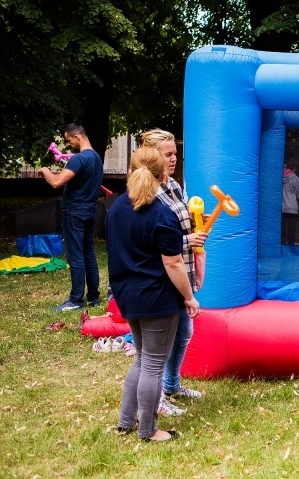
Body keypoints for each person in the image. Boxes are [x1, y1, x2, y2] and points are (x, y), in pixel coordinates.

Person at [106, 146, 200, 442]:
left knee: (143, 359)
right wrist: (189, 297)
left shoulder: (117, 206)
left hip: (127, 295)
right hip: (158, 299)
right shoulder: (162, 214)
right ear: (162, 177)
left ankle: (126, 421)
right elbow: (172, 263)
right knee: (153, 365)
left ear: (130, 172)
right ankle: (148, 430)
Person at [139, 129, 207, 417]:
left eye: (175, 154)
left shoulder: (174, 186)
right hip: (162, 275)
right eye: (167, 155)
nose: (173, 159)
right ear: (152, 155)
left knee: (184, 331)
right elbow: (146, 238)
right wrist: (185, 242)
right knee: (160, 344)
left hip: (182, 269)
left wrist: (197, 243)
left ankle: (171, 385)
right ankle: (156, 401)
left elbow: (184, 226)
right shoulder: (146, 192)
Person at [40, 123, 104, 312]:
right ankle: (93, 297)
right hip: (91, 210)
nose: (69, 145)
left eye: (69, 140)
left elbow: (56, 182)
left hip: (75, 212)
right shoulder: (96, 158)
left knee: (76, 256)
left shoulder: (80, 159)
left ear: (77, 137)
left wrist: (44, 170)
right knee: (89, 254)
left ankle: (75, 300)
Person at [282, 158, 299, 245]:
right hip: (293, 207)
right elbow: (297, 194)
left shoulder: (280, 177)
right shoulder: (295, 178)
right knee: (292, 229)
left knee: (282, 228)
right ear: (294, 168)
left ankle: (282, 244)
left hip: (282, 206)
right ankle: (291, 246)